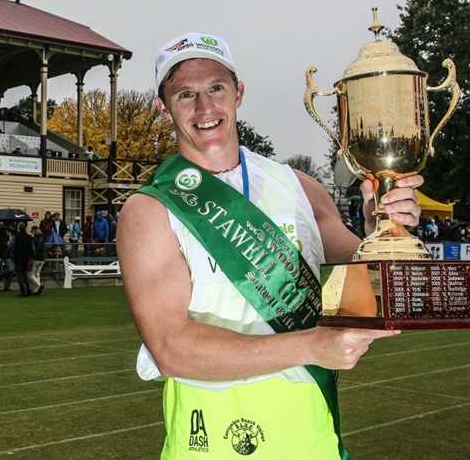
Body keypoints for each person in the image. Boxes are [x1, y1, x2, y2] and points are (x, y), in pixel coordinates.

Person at [118, 32, 423, 460]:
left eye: (216, 88)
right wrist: (313, 346)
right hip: (209, 442)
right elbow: (172, 349)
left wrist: (384, 226)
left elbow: (369, 292)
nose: (205, 108)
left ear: (238, 93)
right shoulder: (149, 210)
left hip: (313, 436)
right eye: (185, 94)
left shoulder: (299, 188)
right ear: (161, 105)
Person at [13, 222, 34, 296]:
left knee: (20, 275)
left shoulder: (17, 237)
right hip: (26, 258)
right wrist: (31, 257)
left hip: (18, 258)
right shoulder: (29, 237)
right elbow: (32, 249)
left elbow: (13, 248)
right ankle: (28, 289)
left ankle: (23, 290)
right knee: (25, 275)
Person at [27, 225, 45, 295]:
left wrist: (32, 256)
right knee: (37, 274)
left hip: (36, 258)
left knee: (31, 275)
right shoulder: (42, 238)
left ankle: (38, 285)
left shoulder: (33, 239)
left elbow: (33, 249)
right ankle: (36, 290)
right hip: (42, 258)